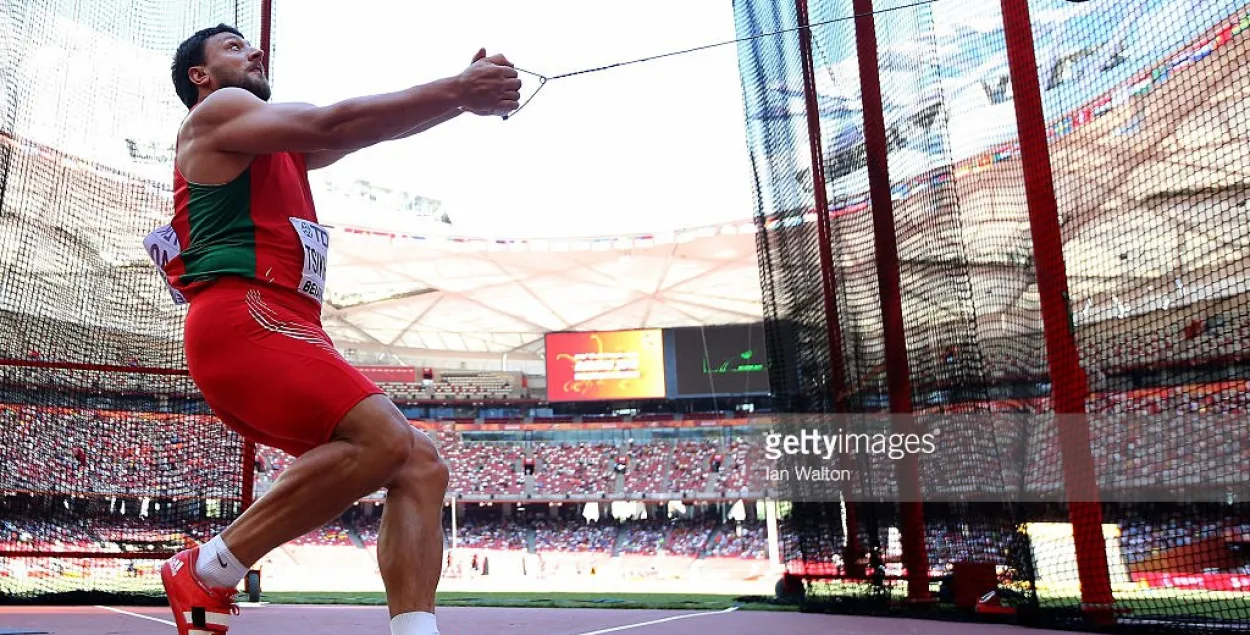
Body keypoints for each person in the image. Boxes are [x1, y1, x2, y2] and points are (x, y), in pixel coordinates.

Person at [150, 24, 521, 635]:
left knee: (419, 464)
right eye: (235, 47)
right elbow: (333, 123)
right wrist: (458, 88)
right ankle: (207, 570)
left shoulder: (274, 150)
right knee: (385, 440)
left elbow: (364, 133)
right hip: (247, 318)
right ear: (202, 76)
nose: (255, 51)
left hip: (286, 324)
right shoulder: (220, 110)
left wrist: (457, 99)